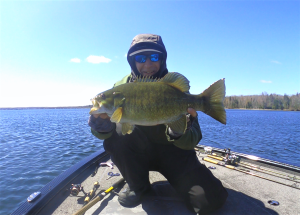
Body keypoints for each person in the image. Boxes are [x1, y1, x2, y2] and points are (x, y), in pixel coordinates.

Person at [88, 34, 228, 214]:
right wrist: (101, 128)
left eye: (154, 57)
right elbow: (112, 133)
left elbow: (193, 139)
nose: (147, 64)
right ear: (132, 61)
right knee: (115, 139)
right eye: (140, 58)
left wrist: (179, 130)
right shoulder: (121, 87)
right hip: (139, 153)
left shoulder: (171, 86)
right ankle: (138, 186)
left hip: (174, 154)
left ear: (162, 59)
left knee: (210, 201)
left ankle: (187, 184)